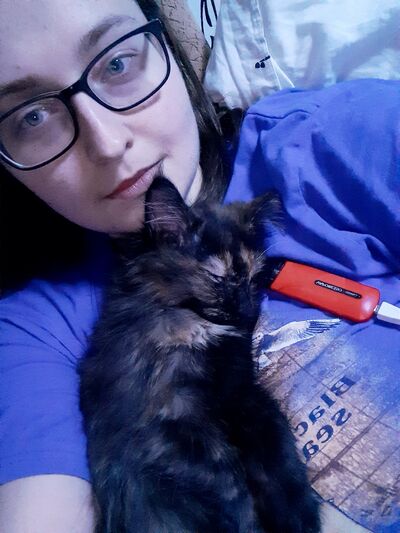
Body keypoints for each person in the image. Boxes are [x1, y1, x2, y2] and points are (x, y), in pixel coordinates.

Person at [0, 1, 398, 532]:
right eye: (31, 116)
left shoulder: (334, 138)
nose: (109, 143)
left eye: (116, 62)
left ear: (170, 42)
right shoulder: (33, 327)